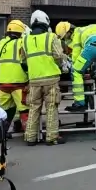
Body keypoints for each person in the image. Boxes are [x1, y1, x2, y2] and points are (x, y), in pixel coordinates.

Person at [22, 11, 66, 146]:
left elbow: (23, 60)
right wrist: (59, 66)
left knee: (34, 108)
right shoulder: (51, 37)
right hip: (51, 79)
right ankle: (52, 137)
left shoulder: (25, 40)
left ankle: (30, 138)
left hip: (34, 80)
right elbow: (58, 55)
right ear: (45, 22)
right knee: (51, 107)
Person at [55, 21, 96, 112]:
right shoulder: (95, 26)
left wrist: (72, 67)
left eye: (65, 37)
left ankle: (79, 104)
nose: (66, 40)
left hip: (92, 47)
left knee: (75, 72)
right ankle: (86, 102)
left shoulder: (77, 34)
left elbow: (76, 55)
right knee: (86, 68)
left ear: (69, 31)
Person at [0, 20, 29, 136]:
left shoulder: (0, 44)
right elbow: (26, 63)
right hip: (19, 83)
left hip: (3, 84)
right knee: (24, 109)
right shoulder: (23, 43)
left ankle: (1, 133)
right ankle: (29, 133)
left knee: (4, 110)